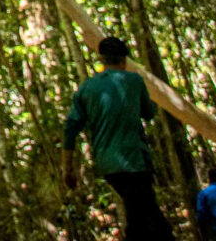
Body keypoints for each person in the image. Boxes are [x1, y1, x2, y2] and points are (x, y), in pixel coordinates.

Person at [63, 36, 175, 241]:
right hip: (135, 161)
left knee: (144, 215)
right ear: (124, 60)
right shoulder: (134, 80)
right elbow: (149, 113)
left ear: (103, 60)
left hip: (109, 165)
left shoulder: (87, 88)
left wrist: (67, 168)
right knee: (147, 219)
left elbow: (71, 128)